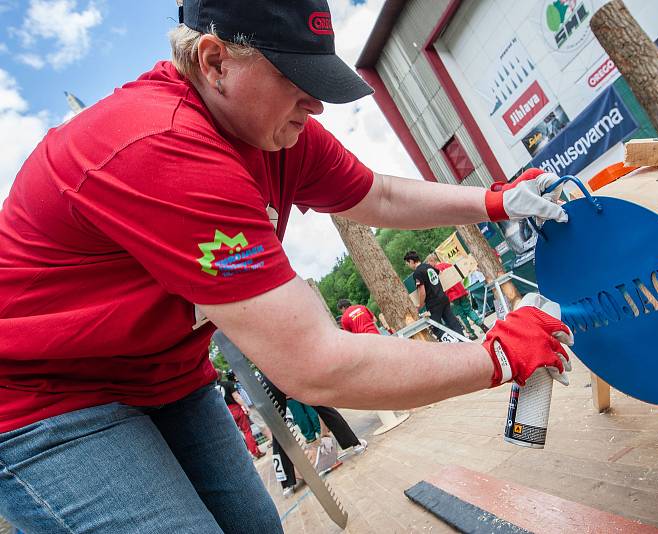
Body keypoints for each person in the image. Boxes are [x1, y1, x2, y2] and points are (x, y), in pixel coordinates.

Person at [0, 0, 571, 531]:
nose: (317, 103)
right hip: (44, 397)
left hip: (167, 377)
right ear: (215, 61)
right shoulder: (163, 147)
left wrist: (494, 200)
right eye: (296, 79)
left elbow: (379, 197)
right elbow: (317, 366)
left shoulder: (273, 129)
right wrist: (496, 356)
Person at [404, 251, 465, 339]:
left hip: (433, 303)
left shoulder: (417, 273)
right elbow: (439, 273)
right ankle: (463, 340)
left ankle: (451, 342)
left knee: (435, 327)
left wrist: (420, 305)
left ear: (411, 261)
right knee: (452, 321)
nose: (408, 266)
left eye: (408, 263)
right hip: (443, 298)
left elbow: (422, 291)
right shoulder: (428, 266)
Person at [426, 254, 489, 340]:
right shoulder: (448, 265)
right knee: (469, 310)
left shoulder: (434, 273)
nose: (428, 265)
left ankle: (471, 334)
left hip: (451, 296)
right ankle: (481, 324)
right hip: (461, 291)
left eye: (428, 263)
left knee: (461, 316)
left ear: (432, 261)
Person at [217, 369, 266, 460]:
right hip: (235, 409)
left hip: (223, 412)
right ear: (220, 376)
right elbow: (236, 397)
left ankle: (242, 457)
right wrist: (246, 407)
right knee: (246, 431)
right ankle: (255, 452)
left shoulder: (212, 390)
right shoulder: (228, 384)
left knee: (233, 435)